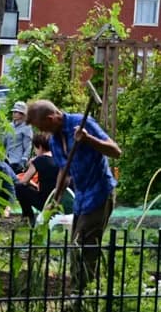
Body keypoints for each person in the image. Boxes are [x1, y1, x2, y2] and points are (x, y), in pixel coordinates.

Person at [26, 100, 121, 290]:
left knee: (84, 245)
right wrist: (55, 200)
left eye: (41, 126)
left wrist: (88, 139)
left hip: (100, 192)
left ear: (51, 118)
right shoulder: (54, 141)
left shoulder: (82, 123)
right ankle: (81, 291)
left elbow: (116, 151)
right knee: (76, 246)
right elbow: (64, 171)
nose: (41, 131)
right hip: (81, 197)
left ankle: (81, 294)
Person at [14, 132, 59, 226]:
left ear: (40, 147)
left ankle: (28, 216)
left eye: (35, 148)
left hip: (45, 201)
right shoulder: (59, 159)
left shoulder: (39, 160)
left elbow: (23, 181)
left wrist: (31, 164)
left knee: (19, 187)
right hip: (59, 200)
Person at [3, 101, 33, 174]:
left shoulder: (26, 127)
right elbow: (4, 142)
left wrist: (23, 161)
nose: (14, 114)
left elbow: (28, 147)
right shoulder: (9, 125)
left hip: (17, 162)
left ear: (23, 114)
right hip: (6, 159)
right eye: (14, 112)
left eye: (17, 112)